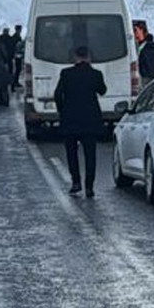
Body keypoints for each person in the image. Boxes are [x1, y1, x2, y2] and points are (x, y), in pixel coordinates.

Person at [53, 46, 107, 196]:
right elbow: (103, 90)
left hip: (70, 119)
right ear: (89, 57)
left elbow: (58, 94)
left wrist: (62, 111)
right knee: (90, 154)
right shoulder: (96, 74)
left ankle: (76, 182)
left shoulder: (66, 73)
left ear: (76, 57)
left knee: (72, 153)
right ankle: (89, 186)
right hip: (90, 120)